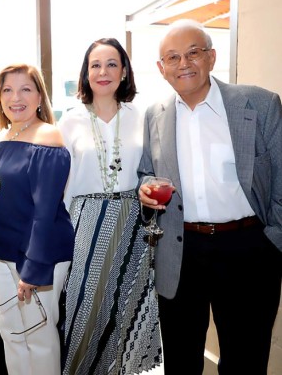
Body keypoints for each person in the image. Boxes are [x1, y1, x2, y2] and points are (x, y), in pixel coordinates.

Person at [138, 19, 282, 375]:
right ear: (161, 68)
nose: (183, 63)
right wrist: (145, 192)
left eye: (193, 53)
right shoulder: (155, 116)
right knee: (182, 358)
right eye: (172, 57)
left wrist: (272, 242)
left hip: (249, 248)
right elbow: (146, 173)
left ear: (212, 57)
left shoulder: (259, 104)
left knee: (245, 359)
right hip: (181, 249)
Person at [57, 38, 162, 375]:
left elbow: (151, 170)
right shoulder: (70, 121)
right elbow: (60, 185)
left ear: (124, 71)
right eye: (95, 65)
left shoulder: (142, 116)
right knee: (84, 311)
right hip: (84, 226)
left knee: (126, 314)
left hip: (134, 225)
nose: (103, 72)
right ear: (86, 74)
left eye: (111, 64)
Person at [0, 63, 75, 375]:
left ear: (39, 96)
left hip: (39, 254)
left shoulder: (48, 136)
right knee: (11, 335)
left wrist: (34, 268)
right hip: (1, 252)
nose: (15, 97)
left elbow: (45, 211)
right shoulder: (2, 137)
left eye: (25, 89)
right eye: (7, 90)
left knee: (39, 336)